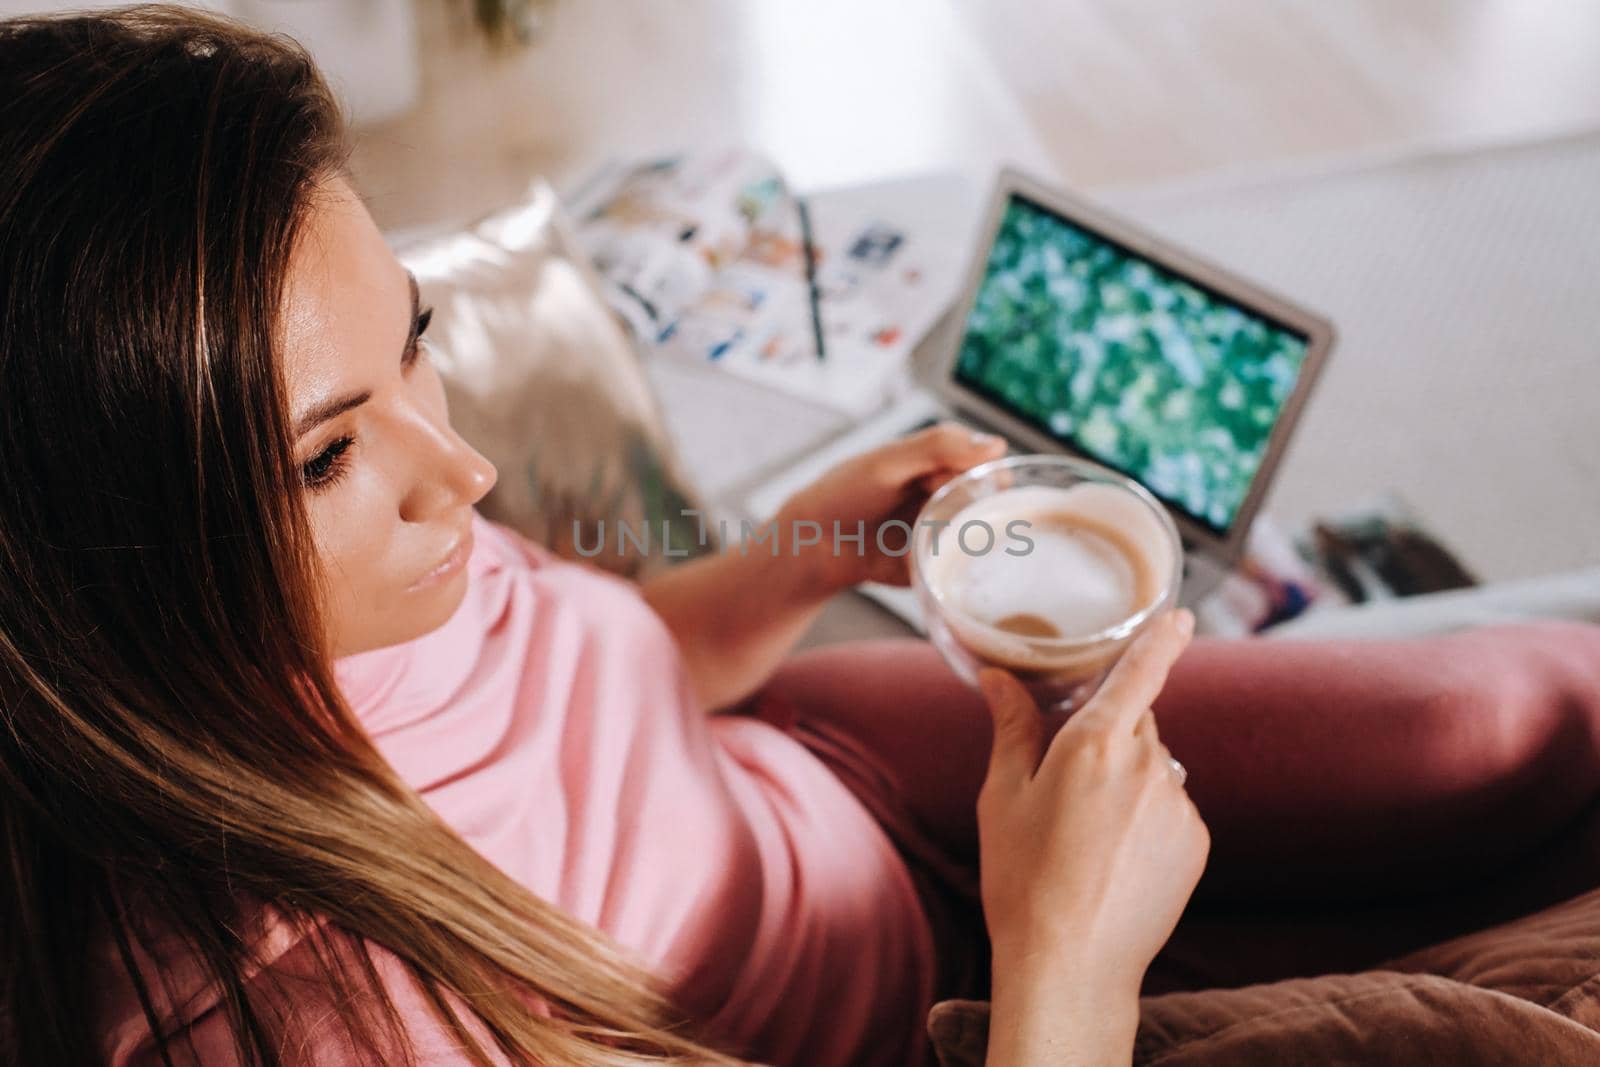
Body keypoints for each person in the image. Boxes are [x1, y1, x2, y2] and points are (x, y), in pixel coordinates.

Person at [2, 9, 1597, 1067]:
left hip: (839, 773)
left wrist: (820, 546)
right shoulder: (303, 1018)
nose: (469, 475)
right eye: (328, 452)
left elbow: (618, 665)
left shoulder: (352, 579)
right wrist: (1065, 965)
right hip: (961, 1014)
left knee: (1507, 723)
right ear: (92, 564)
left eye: (412, 340)